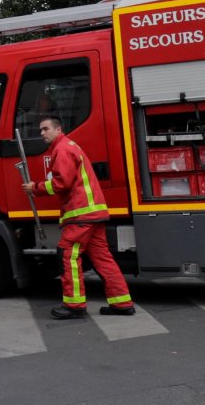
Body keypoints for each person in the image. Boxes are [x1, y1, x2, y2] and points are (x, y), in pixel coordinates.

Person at [36, 115, 134, 319]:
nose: (42, 133)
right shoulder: (70, 146)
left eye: (46, 129)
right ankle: (122, 302)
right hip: (92, 213)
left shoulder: (61, 149)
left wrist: (36, 188)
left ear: (58, 129)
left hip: (81, 214)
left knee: (67, 254)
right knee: (103, 259)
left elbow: (62, 183)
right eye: (40, 130)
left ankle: (74, 305)